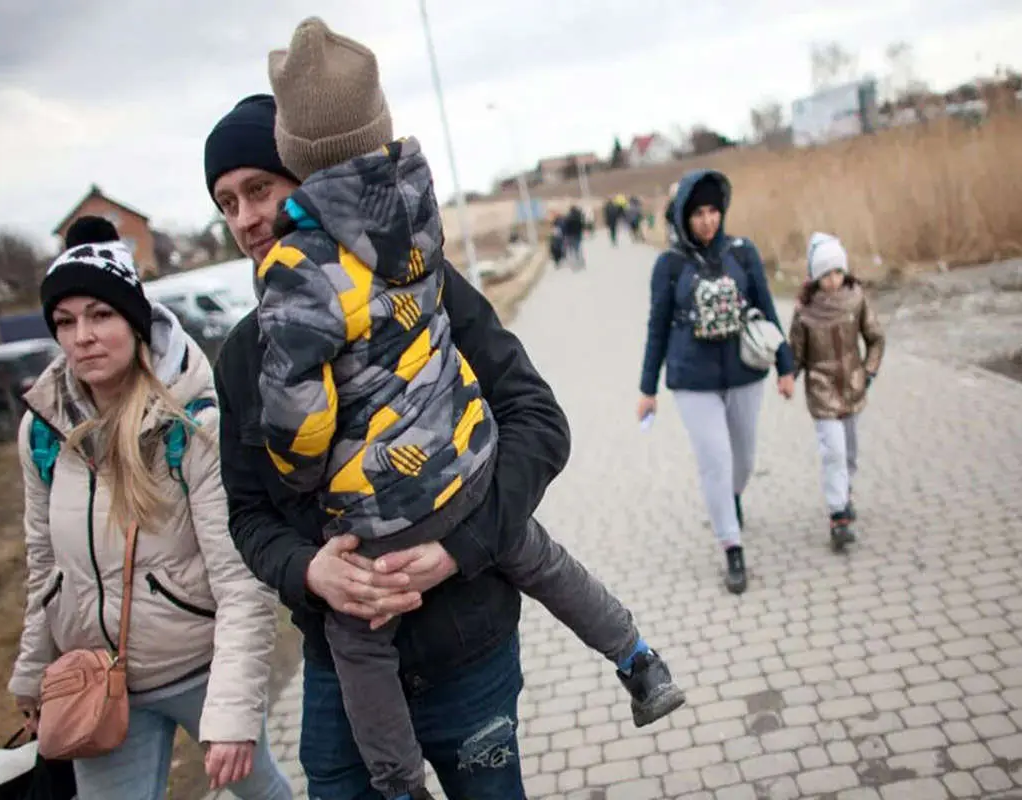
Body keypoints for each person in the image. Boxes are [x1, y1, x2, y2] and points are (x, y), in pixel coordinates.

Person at [256, 18, 683, 800]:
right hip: (466, 468)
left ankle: (399, 784)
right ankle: (639, 660)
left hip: (382, 513)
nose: (250, 215)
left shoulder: (298, 267)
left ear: (293, 155)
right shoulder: (415, 219)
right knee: (541, 559)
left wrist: (303, 470)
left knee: (360, 642)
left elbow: (299, 414)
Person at [203, 98, 577, 800]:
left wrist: (457, 549)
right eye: (227, 203)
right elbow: (248, 517)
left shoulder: (420, 288)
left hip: (467, 650)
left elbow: (539, 422)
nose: (246, 218)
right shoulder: (242, 357)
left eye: (259, 189)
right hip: (340, 677)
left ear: (309, 184)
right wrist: (310, 572)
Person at [8, 217, 291, 800]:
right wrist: (33, 672)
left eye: (100, 315)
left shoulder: (193, 424)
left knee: (262, 792)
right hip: (98, 681)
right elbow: (44, 568)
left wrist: (232, 714)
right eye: (65, 321)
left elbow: (240, 581)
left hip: (200, 669)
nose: (82, 336)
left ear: (135, 322)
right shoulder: (41, 432)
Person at [637, 169, 796, 594]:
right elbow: (656, 327)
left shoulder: (742, 253)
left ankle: (731, 497)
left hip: (745, 372)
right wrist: (647, 389)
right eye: (697, 213)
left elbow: (767, 309)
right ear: (683, 217)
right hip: (693, 381)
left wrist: (786, 365)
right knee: (715, 460)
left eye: (713, 211)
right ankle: (732, 546)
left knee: (743, 460)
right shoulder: (669, 265)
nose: (707, 221)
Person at [789, 233, 885, 549]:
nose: (832, 279)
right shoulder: (805, 312)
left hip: (853, 388)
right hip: (822, 391)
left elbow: (875, 337)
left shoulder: (856, 299)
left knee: (850, 453)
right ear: (815, 277)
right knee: (834, 453)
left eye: (837, 272)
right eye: (826, 274)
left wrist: (869, 371)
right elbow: (796, 353)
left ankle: (845, 491)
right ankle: (838, 516)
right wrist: (786, 375)